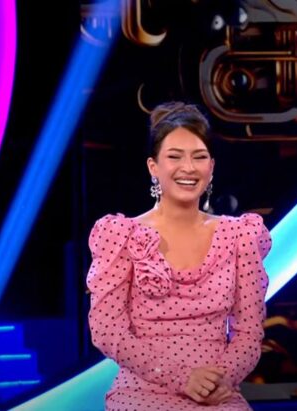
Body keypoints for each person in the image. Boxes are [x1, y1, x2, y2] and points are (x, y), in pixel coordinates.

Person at [86, 102, 271, 410]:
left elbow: (249, 333)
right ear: (153, 167)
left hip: (216, 391)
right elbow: (108, 330)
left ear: (211, 166)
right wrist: (182, 377)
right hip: (143, 390)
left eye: (199, 157)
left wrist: (224, 378)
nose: (188, 167)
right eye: (174, 157)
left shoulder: (240, 235)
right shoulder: (121, 234)